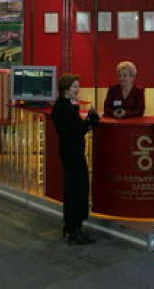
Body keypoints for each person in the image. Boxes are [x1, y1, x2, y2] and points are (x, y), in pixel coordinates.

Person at [51, 74, 99, 245]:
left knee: (73, 188)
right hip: (73, 153)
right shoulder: (65, 108)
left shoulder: (60, 106)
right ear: (66, 89)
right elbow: (78, 130)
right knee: (78, 188)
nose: (78, 90)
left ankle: (71, 226)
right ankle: (75, 229)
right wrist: (91, 120)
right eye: (75, 87)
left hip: (67, 151)